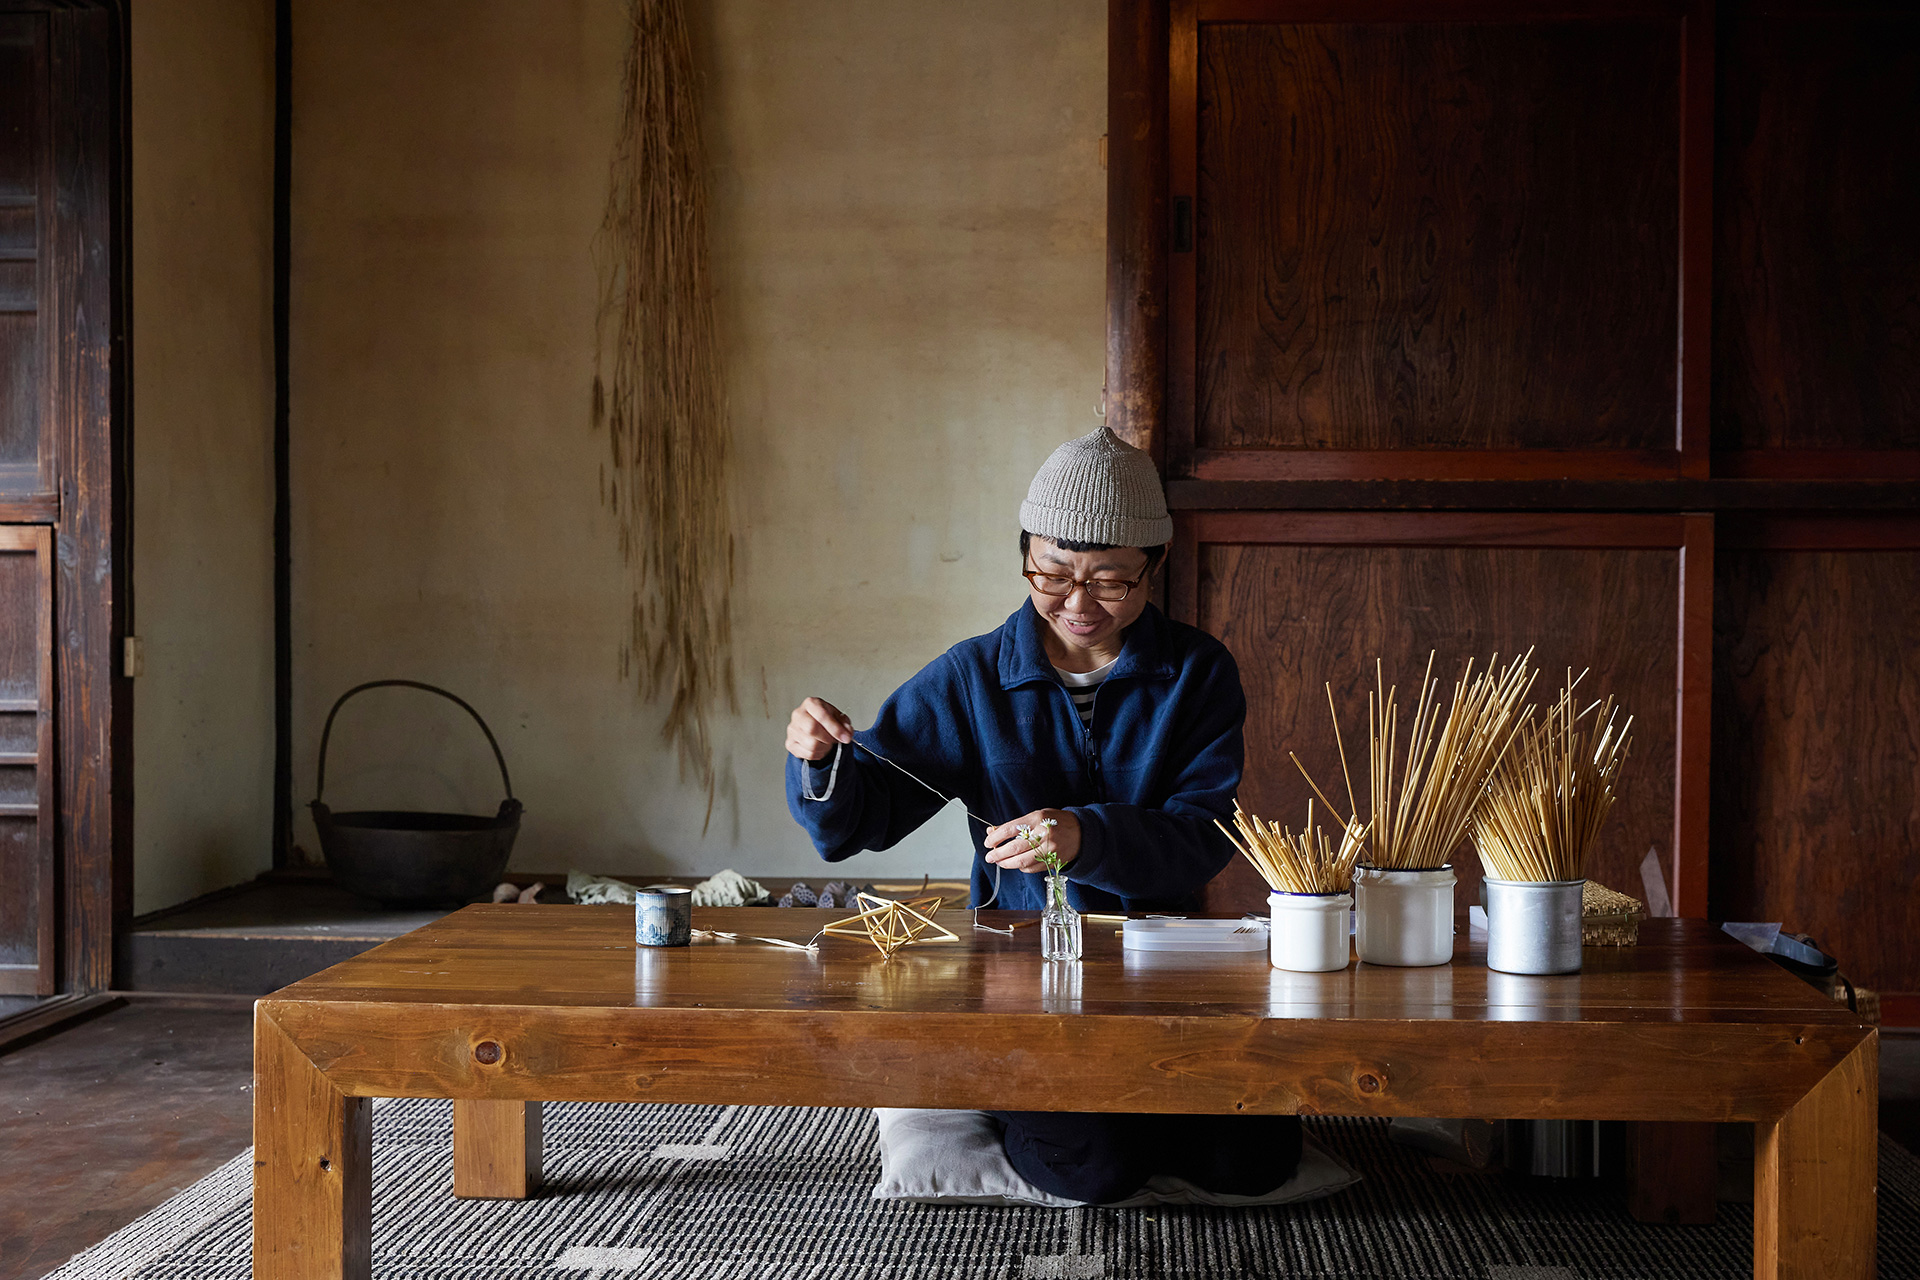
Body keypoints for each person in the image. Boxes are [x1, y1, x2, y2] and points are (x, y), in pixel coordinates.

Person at [784, 425, 1301, 1204]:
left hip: (1163, 969)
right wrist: (820, 762)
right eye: (1052, 574)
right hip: (1023, 973)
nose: (1078, 604)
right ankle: (998, 1083)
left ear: (1154, 567)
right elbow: (858, 823)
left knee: (1253, 1162)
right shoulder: (972, 677)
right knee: (1092, 1168)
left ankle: (1110, 1101)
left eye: (1111, 581)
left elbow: (1201, 840)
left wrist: (1086, 836)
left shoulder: (1197, 673)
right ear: (1026, 553)